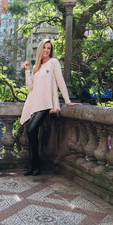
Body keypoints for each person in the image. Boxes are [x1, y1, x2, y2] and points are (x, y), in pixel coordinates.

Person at [21, 39, 80, 176]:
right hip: (34, 103)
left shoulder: (54, 62)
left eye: (49, 48)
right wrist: (28, 71)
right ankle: (33, 167)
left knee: (31, 130)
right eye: (45, 48)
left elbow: (60, 81)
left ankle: (36, 166)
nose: (47, 50)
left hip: (46, 104)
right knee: (31, 133)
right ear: (41, 49)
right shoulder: (37, 67)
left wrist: (67, 100)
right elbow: (30, 88)